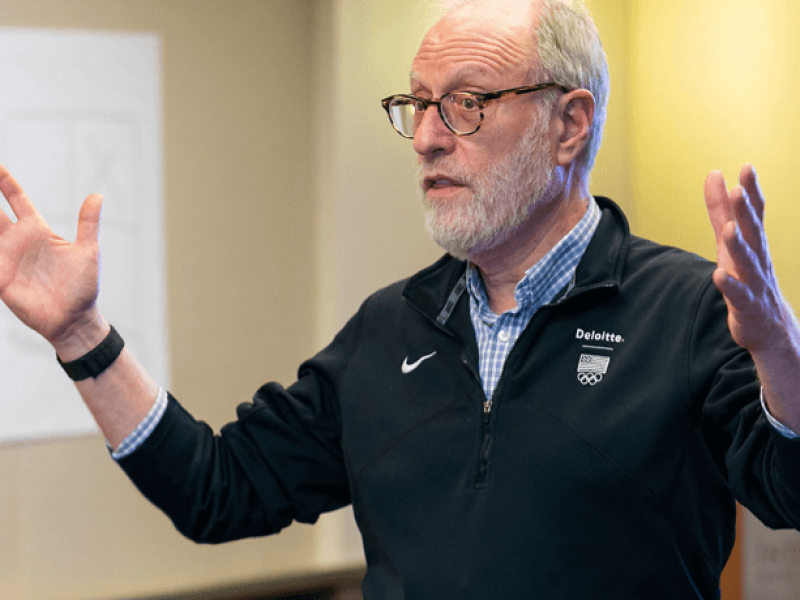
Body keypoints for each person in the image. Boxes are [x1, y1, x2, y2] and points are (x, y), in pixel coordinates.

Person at [2, 0, 800, 597]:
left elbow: (787, 492)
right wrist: (81, 335)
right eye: (418, 104)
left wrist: (780, 353)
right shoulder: (390, 328)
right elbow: (217, 490)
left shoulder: (689, 312)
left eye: (467, 103)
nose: (426, 137)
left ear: (569, 126)